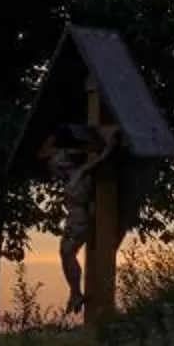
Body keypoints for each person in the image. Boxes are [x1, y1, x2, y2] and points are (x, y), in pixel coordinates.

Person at [42, 123, 124, 310]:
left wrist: (108, 145)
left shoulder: (83, 172)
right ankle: (75, 292)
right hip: (77, 214)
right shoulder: (74, 172)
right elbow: (50, 157)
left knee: (67, 252)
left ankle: (76, 293)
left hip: (79, 218)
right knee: (67, 253)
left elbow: (100, 157)